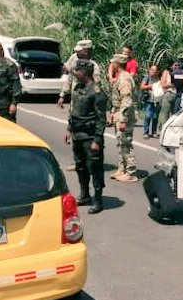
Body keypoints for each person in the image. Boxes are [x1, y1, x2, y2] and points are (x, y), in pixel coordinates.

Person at [64, 59, 109, 214]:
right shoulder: (78, 87)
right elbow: (74, 112)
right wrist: (69, 129)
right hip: (77, 134)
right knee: (80, 166)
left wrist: (97, 139)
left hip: (90, 137)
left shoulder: (96, 92)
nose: (74, 73)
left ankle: (98, 200)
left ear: (83, 72)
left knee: (95, 169)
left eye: (76, 70)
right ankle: (85, 195)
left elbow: (101, 118)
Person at [108, 51, 138, 182]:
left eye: (113, 63)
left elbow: (127, 100)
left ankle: (130, 172)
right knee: (121, 143)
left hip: (124, 116)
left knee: (126, 144)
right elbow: (118, 99)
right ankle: (122, 169)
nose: (111, 65)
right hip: (119, 113)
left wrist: (123, 119)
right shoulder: (121, 76)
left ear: (117, 64)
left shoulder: (124, 78)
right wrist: (113, 112)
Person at [58, 39, 102, 110]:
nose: (77, 53)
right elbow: (70, 79)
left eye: (79, 52)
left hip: (86, 103)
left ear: (86, 52)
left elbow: (97, 86)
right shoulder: (74, 60)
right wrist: (62, 95)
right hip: (75, 99)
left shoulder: (94, 67)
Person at [156, 59, 179, 130]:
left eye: (178, 65)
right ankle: (163, 128)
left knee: (175, 114)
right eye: (175, 65)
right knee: (165, 113)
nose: (177, 67)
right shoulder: (166, 72)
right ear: (171, 66)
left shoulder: (179, 73)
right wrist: (171, 85)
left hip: (177, 95)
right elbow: (163, 85)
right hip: (168, 94)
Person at [141, 64, 161, 138]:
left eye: (154, 70)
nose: (153, 71)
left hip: (157, 100)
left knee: (155, 116)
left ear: (157, 72)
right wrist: (152, 86)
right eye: (152, 70)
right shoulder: (147, 77)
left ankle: (154, 132)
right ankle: (146, 132)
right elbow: (142, 86)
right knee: (148, 116)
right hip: (149, 99)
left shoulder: (159, 78)